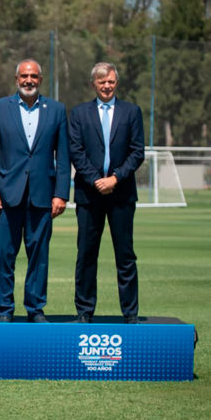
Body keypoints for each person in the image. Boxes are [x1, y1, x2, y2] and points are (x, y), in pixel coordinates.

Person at [0, 59, 70, 323]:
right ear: (16, 78)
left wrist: (61, 194)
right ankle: (4, 310)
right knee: (3, 256)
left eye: (33, 76)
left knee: (39, 256)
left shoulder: (56, 110)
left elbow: (63, 158)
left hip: (43, 196)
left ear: (41, 79)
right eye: (24, 76)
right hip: (5, 197)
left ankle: (35, 308)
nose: (28, 80)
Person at [69, 62, 145, 324]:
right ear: (94, 84)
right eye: (102, 82)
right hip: (89, 196)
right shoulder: (79, 114)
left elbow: (137, 152)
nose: (107, 86)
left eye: (111, 81)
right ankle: (84, 311)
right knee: (87, 255)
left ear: (116, 83)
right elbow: (76, 152)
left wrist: (114, 178)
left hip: (122, 194)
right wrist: (96, 180)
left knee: (125, 256)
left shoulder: (131, 112)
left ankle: (130, 313)